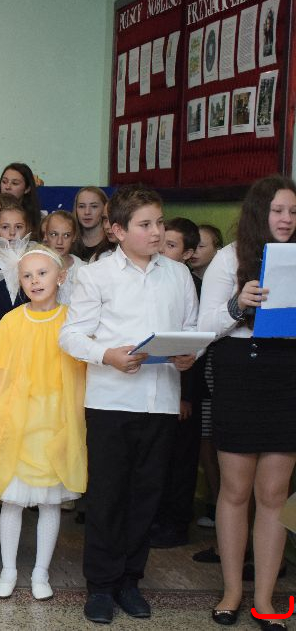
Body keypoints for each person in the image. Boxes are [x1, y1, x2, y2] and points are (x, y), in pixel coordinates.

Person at [59, 185, 198, 625]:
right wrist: (108, 355)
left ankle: (129, 581)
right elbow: (70, 335)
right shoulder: (97, 275)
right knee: (108, 497)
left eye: (159, 222)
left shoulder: (177, 274)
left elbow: (190, 327)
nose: (157, 232)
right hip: (112, 401)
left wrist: (189, 354)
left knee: (146, 497)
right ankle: (100, 586)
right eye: (145, 224)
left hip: (161, 400)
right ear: (117, 231)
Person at [198, 176, 296, 625]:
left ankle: (267, 599)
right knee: (236, 490)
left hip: (287, 373)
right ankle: (232, 591)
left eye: (292, 211)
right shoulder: (229, 257)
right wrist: (239, 305)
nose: (286, 219)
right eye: (278, 210)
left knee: (274, 493)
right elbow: (205, 327)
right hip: (240, 369)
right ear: (259, 212)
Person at [0, 245, 87, 600]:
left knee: (50, 502)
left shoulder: (72, 321)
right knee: (13, 499)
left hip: (55, 421)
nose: (35, 281)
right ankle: (8, 570)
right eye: (27, 276)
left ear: (61, 277)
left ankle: (41, 572)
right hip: (16, 421)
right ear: (19, 282)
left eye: (42, 273)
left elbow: (80, 374)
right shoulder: (11, 321)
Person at [150, 217, 203, 550]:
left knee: (181, 462)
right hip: (157, 383)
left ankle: (176, 524)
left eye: (170, 245)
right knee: (161, 461)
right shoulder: (155, 279)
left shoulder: (192, 285)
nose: (161, 249)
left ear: (187, 254)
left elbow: (195, 342)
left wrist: (186, 395)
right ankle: (157, 520)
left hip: (183, 386)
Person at [191, 223, 223, 529]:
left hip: (215, 363)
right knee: (203, 439)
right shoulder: (187, 279)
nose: (195, 251)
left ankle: (217, 502)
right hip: (193, 364)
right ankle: (214, 500)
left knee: (214, 437)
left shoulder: (223, 283)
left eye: (202, 246)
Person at [40, 210, 84, 305]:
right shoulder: (35, 267)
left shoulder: (84, 270)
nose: (59, 242)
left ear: (74, 237)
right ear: (46, 235)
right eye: (54, 234)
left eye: (66, 235)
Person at [0, 163, 43, 234]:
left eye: (15, 183)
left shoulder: (37, 219)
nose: (7, 187)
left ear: (27, 189)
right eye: (4, 182)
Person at [72, 187, 109, 261]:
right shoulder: (68, 242)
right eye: (81, 206)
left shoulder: (113, 242)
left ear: (104, 209)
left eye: (94, 206)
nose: (87, 212)